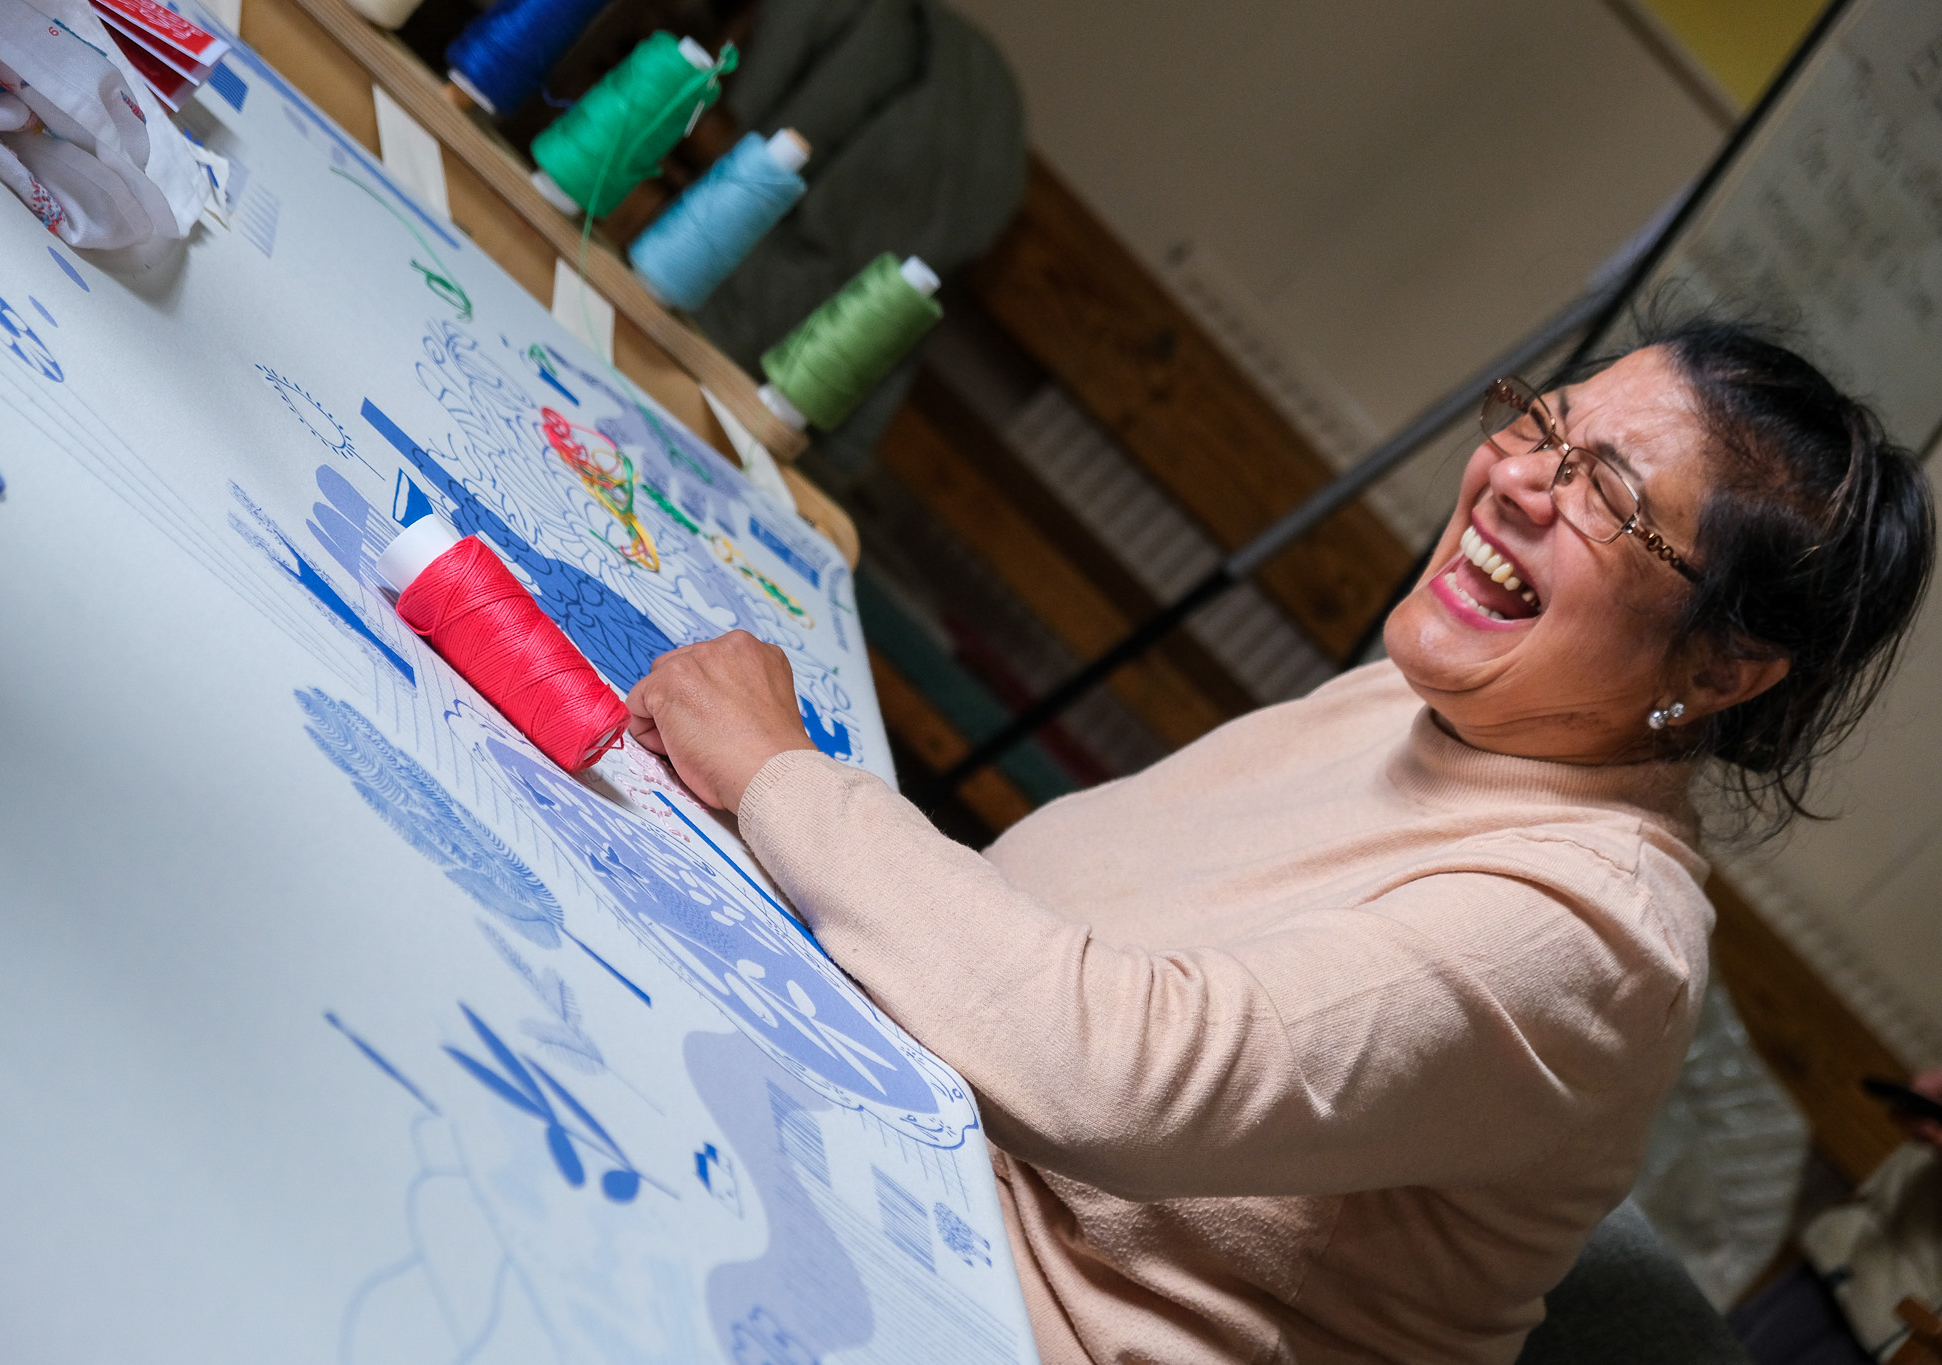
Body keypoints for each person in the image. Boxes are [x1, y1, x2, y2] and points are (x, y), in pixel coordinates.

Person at [625, 322, 1935, 1363]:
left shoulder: (1597, 941)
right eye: (1543, 422)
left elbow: (1121, 1073)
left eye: (1607, 491)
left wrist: (784, 775)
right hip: (919, 1155)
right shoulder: (1444, 693)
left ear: (1718, 668)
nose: (1516, 478)